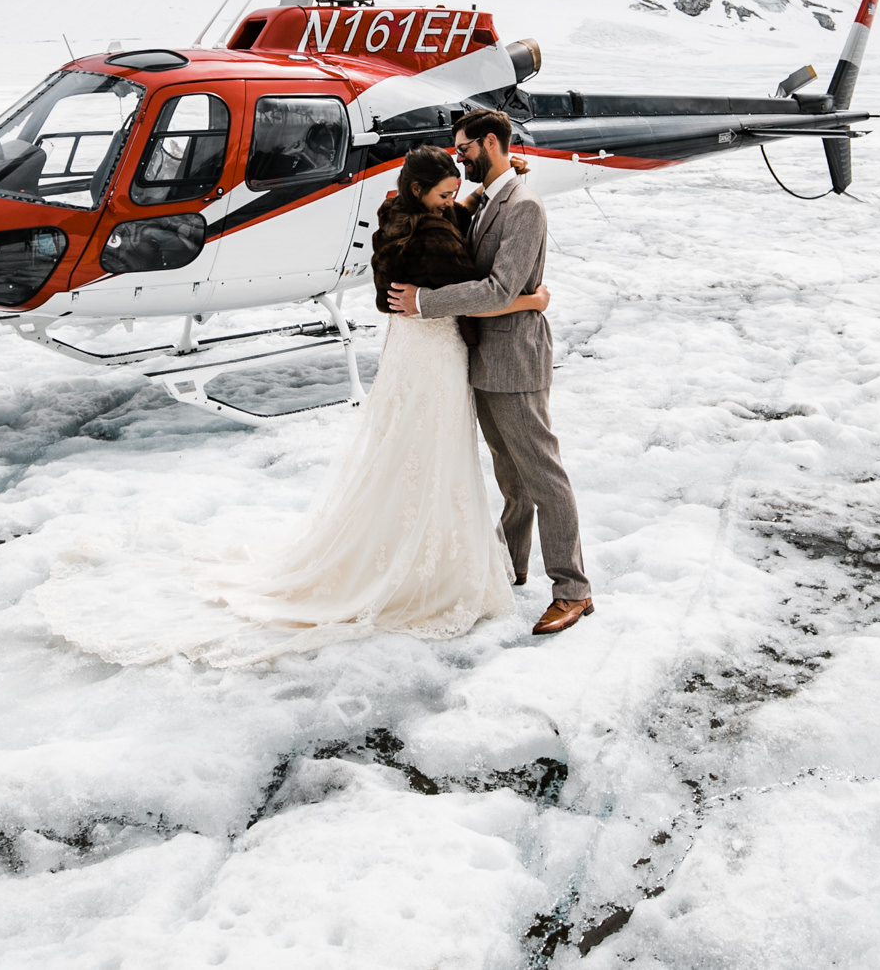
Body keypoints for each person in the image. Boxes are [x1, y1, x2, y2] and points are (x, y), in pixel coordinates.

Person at [190, 144, 552, 649]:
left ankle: (409, 545)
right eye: (446, 195)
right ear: (421, 192)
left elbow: (441, 230)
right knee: (432, 448)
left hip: (409, 348)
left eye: (455, 195)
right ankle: (425, 566)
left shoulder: (398, 214)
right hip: (434, 352)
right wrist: (533, 298)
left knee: (410, 446)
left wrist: (476, 197)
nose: (453, 202)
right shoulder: (429, 236)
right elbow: (477, 287)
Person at [391, 108, 593, 636]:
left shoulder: (523, 207)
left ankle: (573, 590)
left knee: (542, 475)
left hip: (516, 358)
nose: (459, 158)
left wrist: (425, 302)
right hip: (484, 357)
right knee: (510, 473)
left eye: (465, 149)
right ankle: (514, 565)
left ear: (488, 142)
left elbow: (500, 290)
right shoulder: (488, 200)